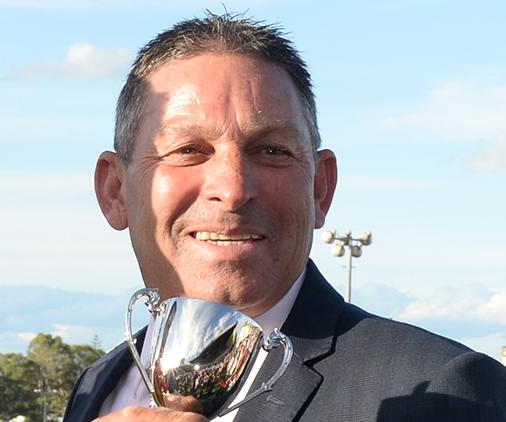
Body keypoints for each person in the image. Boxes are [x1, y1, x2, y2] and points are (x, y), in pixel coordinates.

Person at [64, 12, 506, 422]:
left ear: (320, 188)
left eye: (272, 151)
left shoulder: (450, 391)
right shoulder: (97, 386)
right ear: (115, 190)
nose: (232, 189)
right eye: (189, 151)